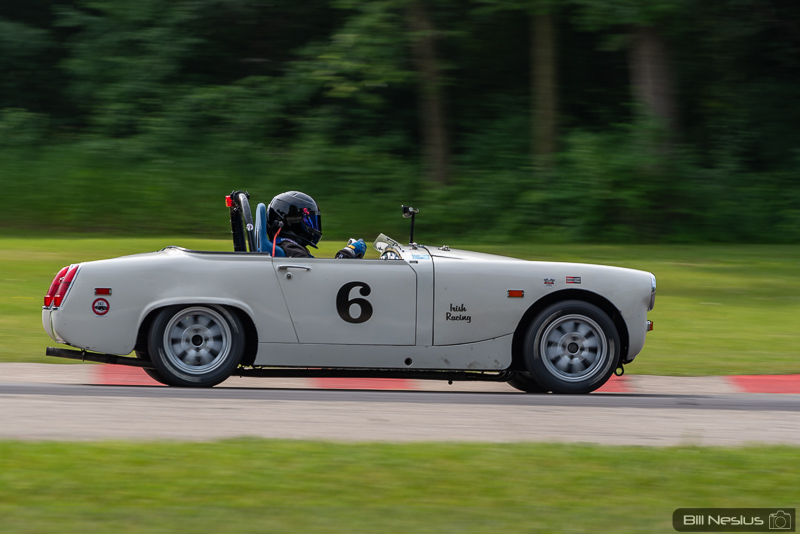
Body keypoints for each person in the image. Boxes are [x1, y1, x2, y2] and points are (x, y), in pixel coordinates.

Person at [266, 191, 367, 259]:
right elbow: (319, 277)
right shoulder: (290, 249)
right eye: (307, 220)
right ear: (291, 222)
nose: (312, 225)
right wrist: (347, 253)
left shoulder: (283, 245)